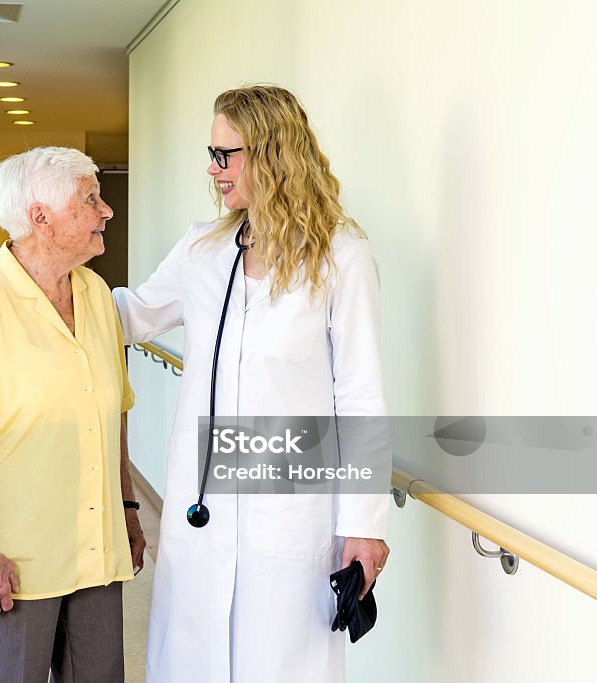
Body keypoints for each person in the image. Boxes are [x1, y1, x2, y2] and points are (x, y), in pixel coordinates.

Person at [114, 85, 391, 681]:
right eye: (211, 153)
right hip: (206, 503)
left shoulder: (341, 258)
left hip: (290, 507)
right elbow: (132, 314)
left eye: (227, 154)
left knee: (281, 659)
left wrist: (365, 527)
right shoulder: (202, 249)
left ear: (272, 153)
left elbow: (362, 397)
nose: (214, 169)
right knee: (193, 654)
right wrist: (44, 280)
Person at [0, 146, 146, 683]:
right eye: (90, 200)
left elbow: (111, 420)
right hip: (15, 567)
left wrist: (128, 510)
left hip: (95, 552)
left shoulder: (94, 294)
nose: (106, 211)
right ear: (40, 218)